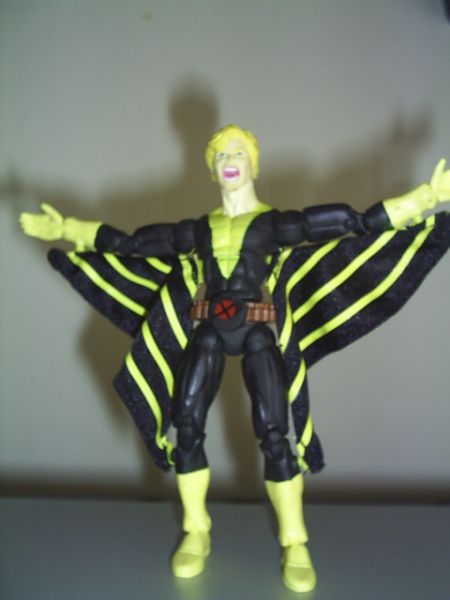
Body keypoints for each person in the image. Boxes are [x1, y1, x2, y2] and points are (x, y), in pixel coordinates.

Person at [20, 125, 450, 593]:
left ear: (254, 163)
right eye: (221, 154)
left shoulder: (275, 225)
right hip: (207, 329)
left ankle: (295, 541)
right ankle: (196, 530)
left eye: (239, 152)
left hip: (258, 330)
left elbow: (355, 222)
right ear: (211, 168)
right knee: (185, 425)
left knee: (274, 433)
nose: (229, 160)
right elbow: (130, 244)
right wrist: (67, 229)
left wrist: (425, 197)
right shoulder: (197, 230)